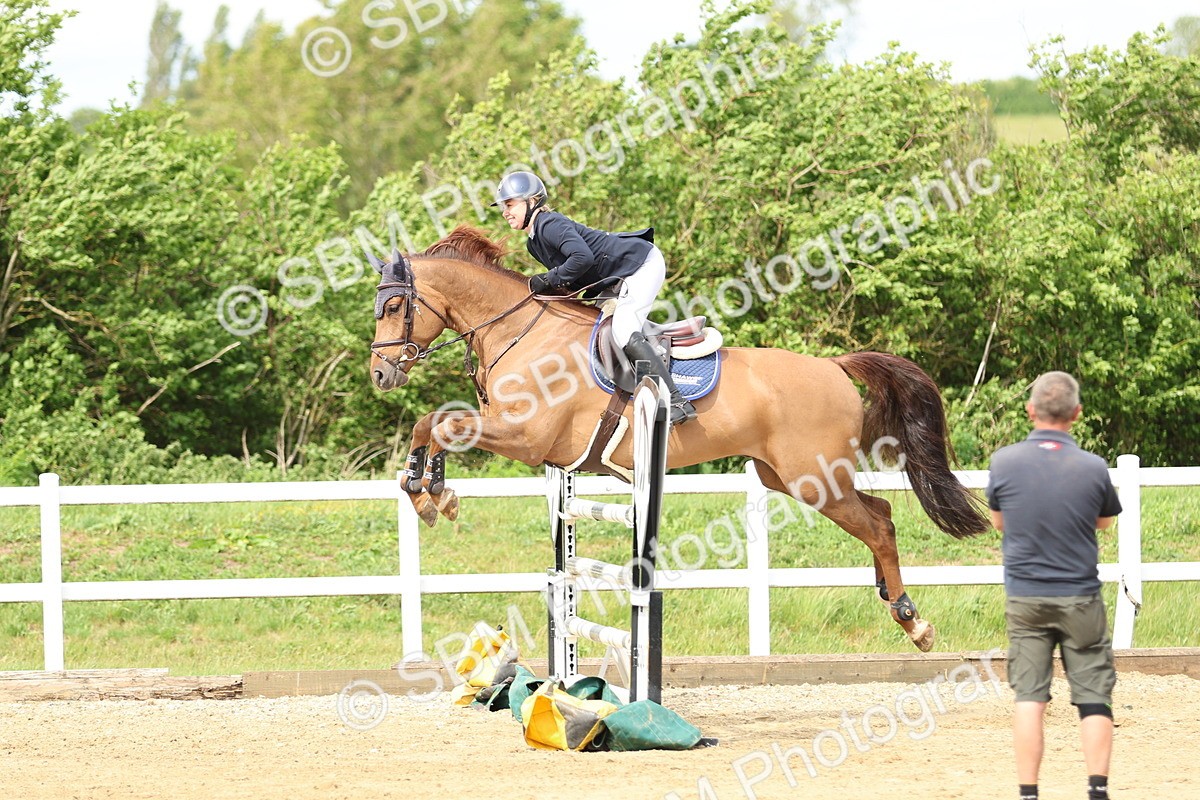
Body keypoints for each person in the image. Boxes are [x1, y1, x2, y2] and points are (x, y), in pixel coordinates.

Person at [986, 371, 1122, 800]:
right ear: (1076, 414)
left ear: (1031, 410)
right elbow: (1105, 521)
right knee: (1094, 696)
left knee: (1030, 696)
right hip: (1080, 597)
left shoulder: (1003, 462)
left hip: (1026, 597)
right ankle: (1096, 789)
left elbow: (999, 521)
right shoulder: (1093, 466)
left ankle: (1029, 793)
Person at [490, 170, 697, 425]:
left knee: (623, 331)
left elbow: (582, 259)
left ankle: (675, 400)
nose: (505, 212)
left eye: (510, 204)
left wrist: (548, 279)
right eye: (503, 206)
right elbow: (574, 277)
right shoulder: (534, 243)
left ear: (532, 201)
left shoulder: (550, 224)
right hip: (615, 278)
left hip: (640, 265)